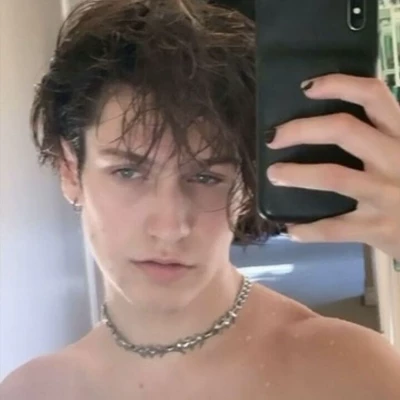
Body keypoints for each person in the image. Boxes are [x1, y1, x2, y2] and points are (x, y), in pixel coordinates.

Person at [1, 0, 400, 399]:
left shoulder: (348, 371)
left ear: (247, 187)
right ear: (70, 171)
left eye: (206, 177)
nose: (170, 226)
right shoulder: (32, 391)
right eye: (127, 172)